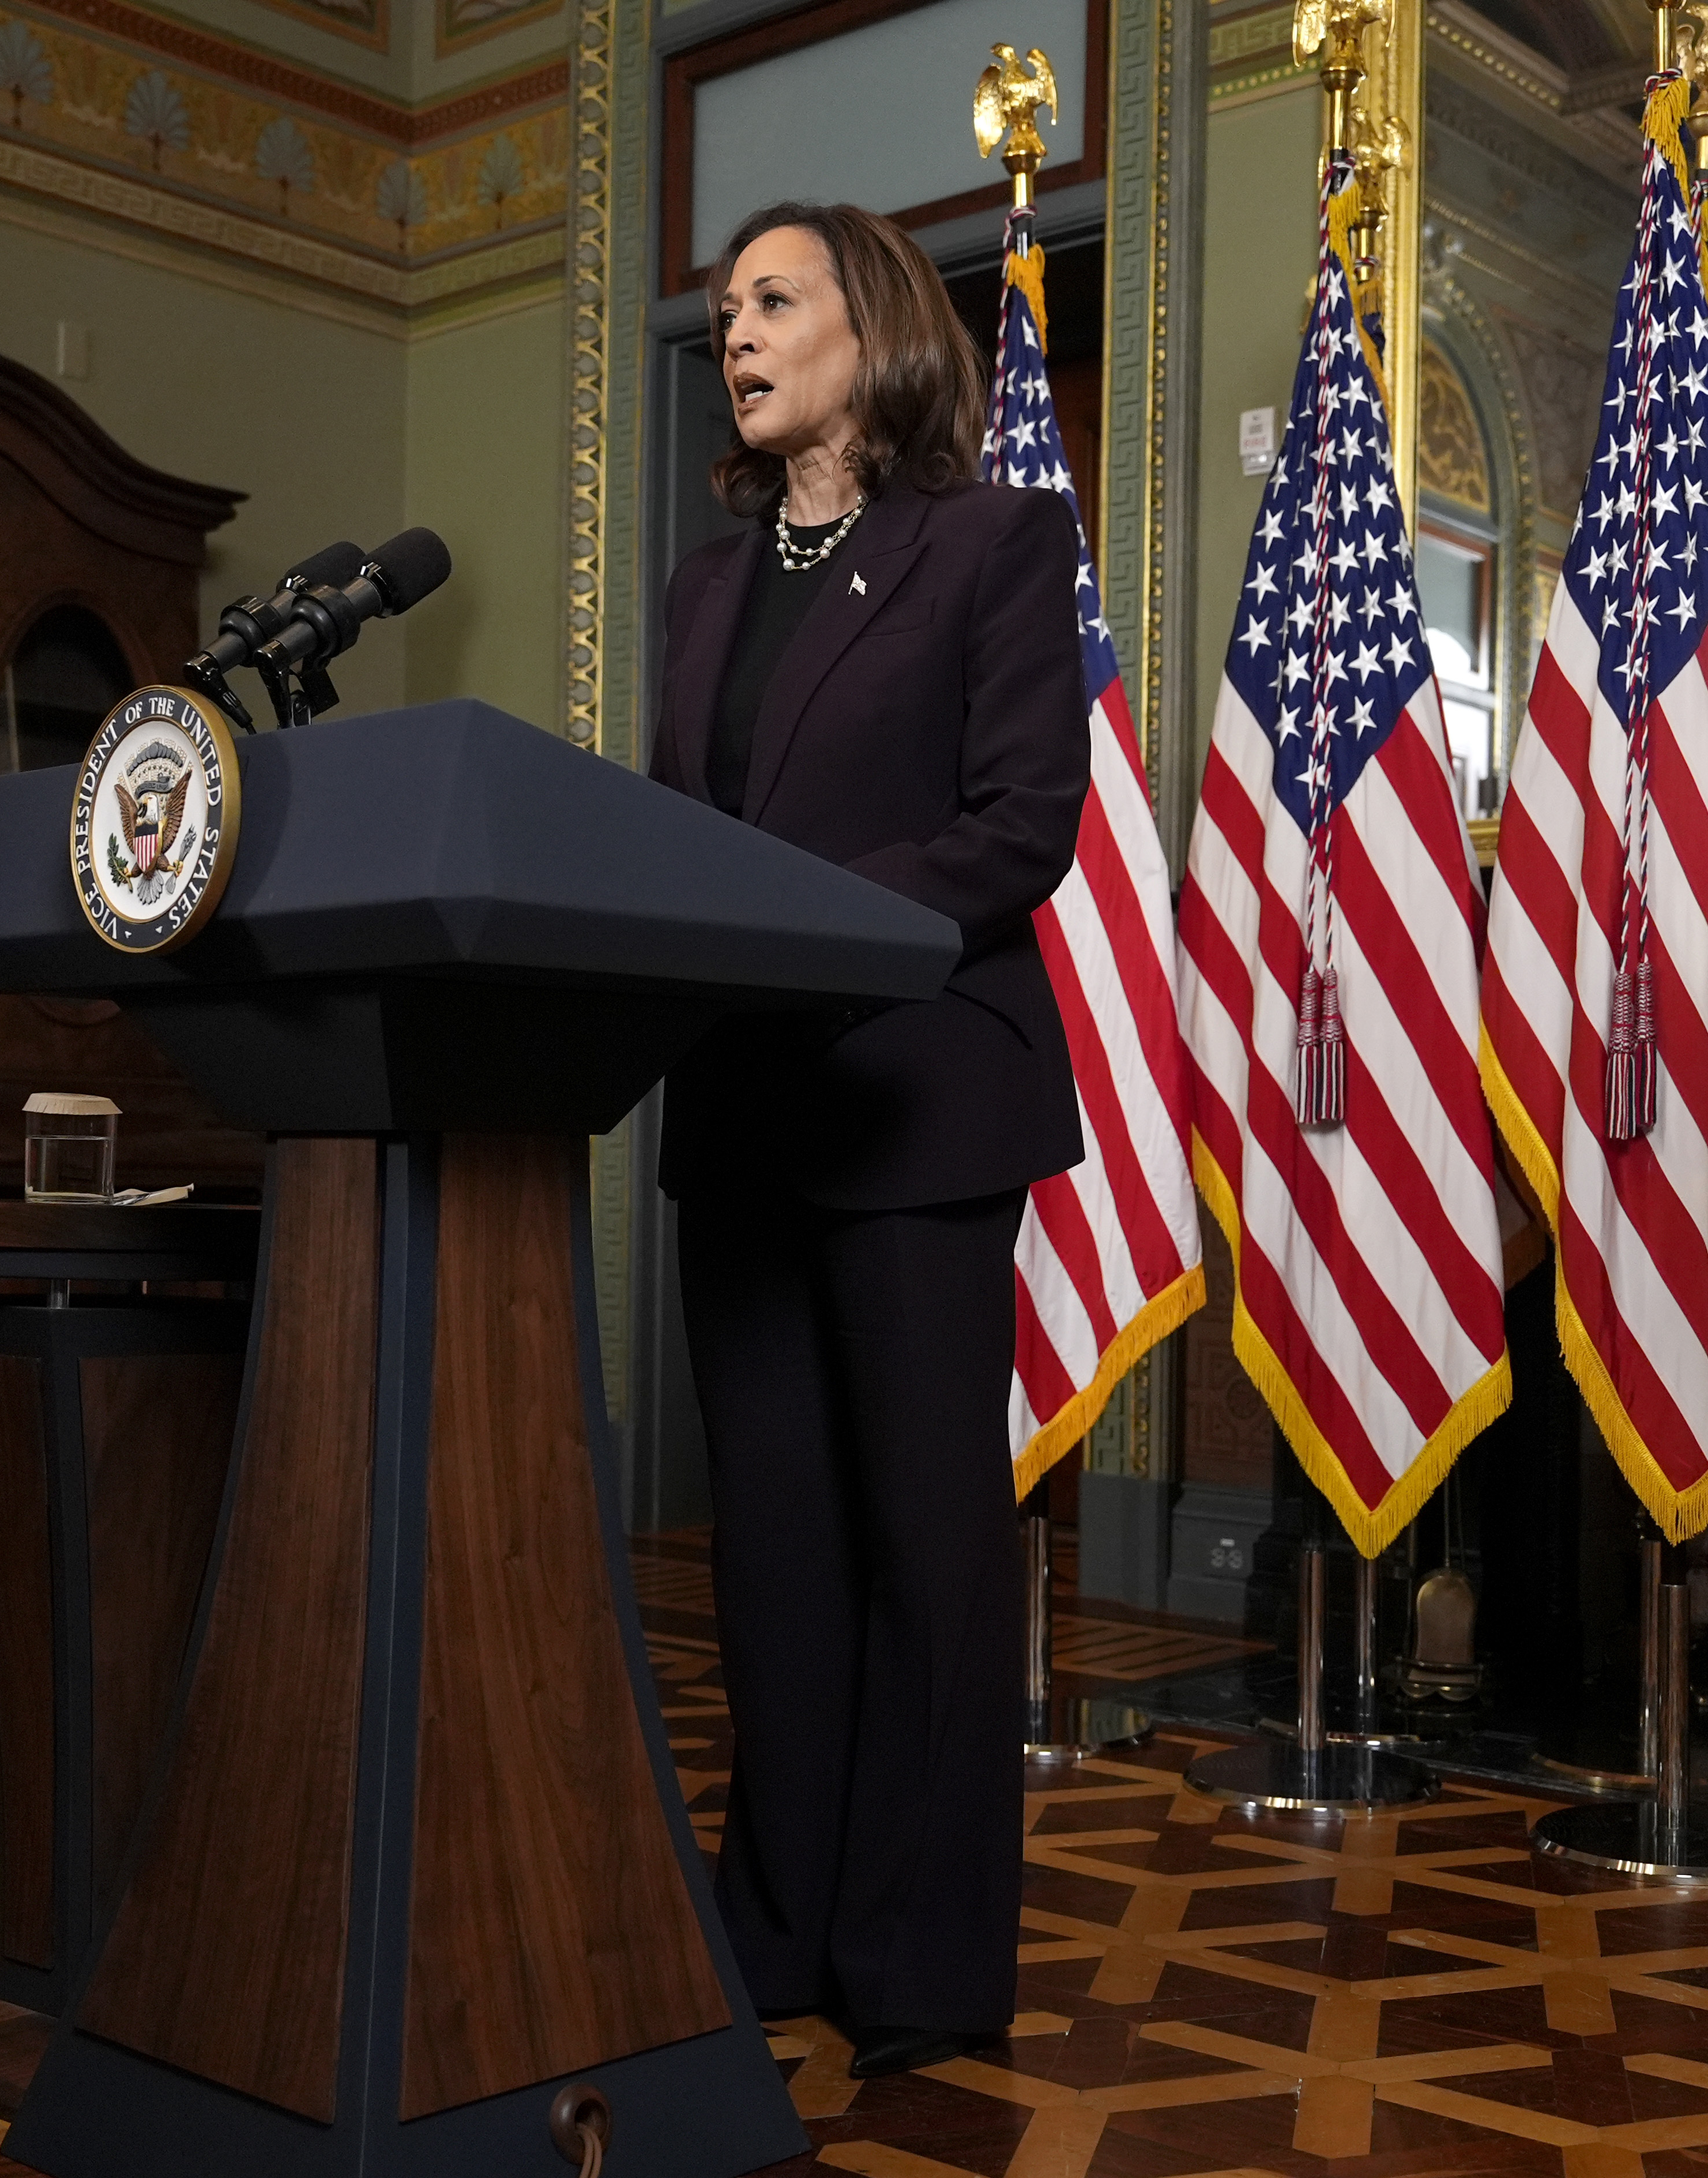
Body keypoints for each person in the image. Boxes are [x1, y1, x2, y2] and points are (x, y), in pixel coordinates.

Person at [645, 200, 1090, 2082]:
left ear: (873, 332)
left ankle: (918, 1958)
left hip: (915, 1094)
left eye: (774, 300)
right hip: (740, 1111)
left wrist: (807, 938)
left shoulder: (991, 542)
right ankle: (782, 1929)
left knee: (925, 1543)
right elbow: (679, 837)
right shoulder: (701, 590)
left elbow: (1021, 827)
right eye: (727, 308)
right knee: (774, 1552)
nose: (735, 333)